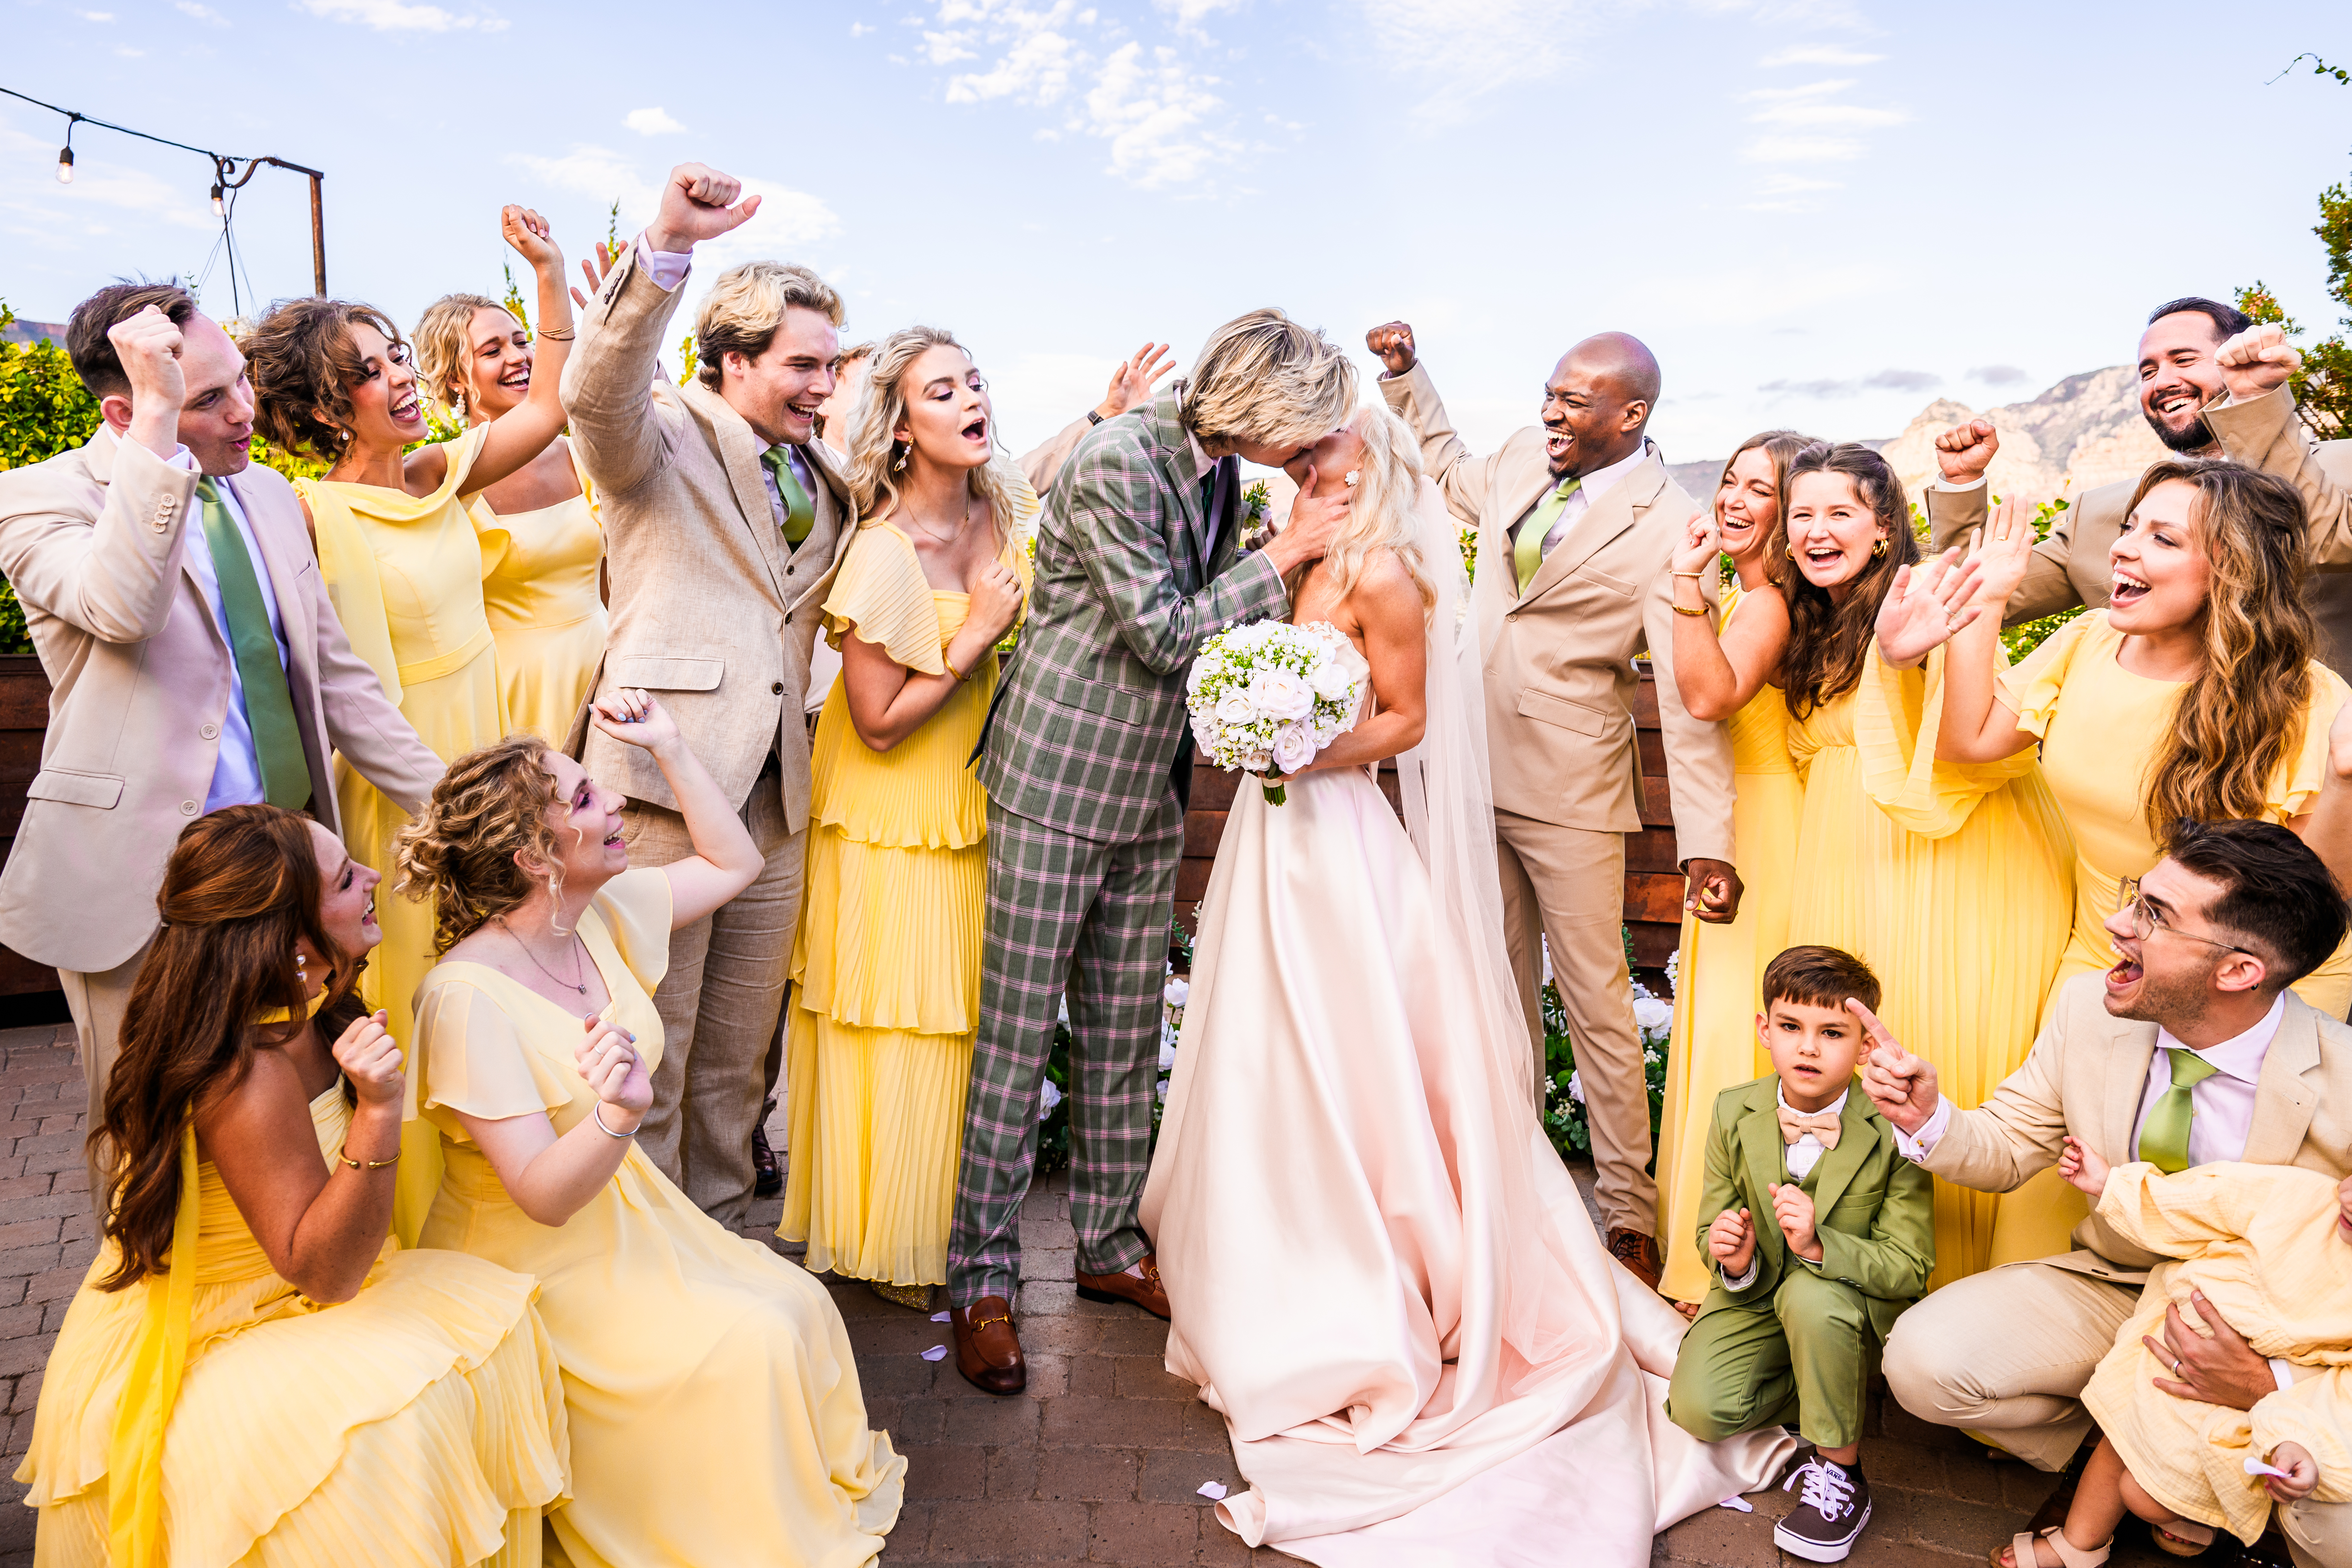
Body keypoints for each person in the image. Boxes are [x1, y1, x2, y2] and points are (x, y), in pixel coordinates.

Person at [1140, 409, 1794, 1562]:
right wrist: (1250, 730)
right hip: (1268, 832)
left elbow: (1405, 722)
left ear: (1373, 465)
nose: (1307, 464)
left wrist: (1298, 749)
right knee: (1258, 1040)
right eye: (1301, 453)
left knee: (1352, 1052)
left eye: (1327, 451)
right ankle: (1256, 1241)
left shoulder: (1390, 573)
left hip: (1336, 833)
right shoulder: (1296, 551)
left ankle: (1370, 1266)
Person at [947, 308, 1357, 1395]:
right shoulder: (1120, 459)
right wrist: (1288, 551)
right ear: (1265, 407)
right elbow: (1167, 632)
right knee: (1017, 1038)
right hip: (1057, 780)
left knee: (1127, 1033)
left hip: (1148, 787)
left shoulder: (1217, 467)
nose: (1309, 447)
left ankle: (1109, 1247)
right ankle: (981, 1280)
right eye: (1305, 424)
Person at [396, 697, 905, 1567]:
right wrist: (618, 1115)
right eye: (586, 798)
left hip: (629, 1217)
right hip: (529, 1264)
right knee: (746, 1344)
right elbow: (541, 1197)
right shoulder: (464, 998)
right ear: (534, 858)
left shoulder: (595, 914)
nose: (615, 805)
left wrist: (670, 745)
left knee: (795, 1303)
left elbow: (735, 861)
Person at [15, 805, 566, 1564]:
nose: (372, 877)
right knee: (393, 1426)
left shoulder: (311, 1008)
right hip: (222, 1326)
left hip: (299, 1290)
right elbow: (326, 1272)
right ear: (291, 940)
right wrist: (378, 1112)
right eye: (344, 880)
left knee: (499, 1333)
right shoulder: (247, 1073)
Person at [0, 286, 440, 1147]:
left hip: (290, 869)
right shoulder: (35, 498)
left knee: (307, 1122)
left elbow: (339, 682)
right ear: (127, 409)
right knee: (152, 1144)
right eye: (207, 398)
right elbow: (122, 608)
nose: (245, 410)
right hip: (146, 888)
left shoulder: (269, 494)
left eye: (241, 379)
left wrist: (466, 812)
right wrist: (160, 438)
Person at [1891, 461, 2352, 1270]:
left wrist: (2346, 781)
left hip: (2255, 972)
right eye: (2130, 526)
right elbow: (1970, 741)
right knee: (2053, 1199)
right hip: (2108, 948)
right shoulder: (2087, 642)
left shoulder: (2309, 698)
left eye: (2162, 538)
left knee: (2234, 1213)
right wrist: (1984, 606)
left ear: (2232, 571)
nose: (2124, 549)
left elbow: (2317, 893)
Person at [1864, 819, 2352, 1568]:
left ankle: (2208, 1481)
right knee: (1924, 1364)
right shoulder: (2088, 1007)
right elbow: (2010, 1140)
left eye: (2154, 914)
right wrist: (1927, 1117)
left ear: (2238, 971)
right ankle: (2138, 1463)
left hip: (2263, 1323)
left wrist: (2264, 1383)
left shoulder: (2344, 1074)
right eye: (2136, 896)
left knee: (2338, 1525)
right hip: (2117, 1281)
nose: (2116, 923)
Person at [1365, 318, 1738, 1292]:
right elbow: (1448, 471)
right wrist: (1407, 376)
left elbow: (1683, 702)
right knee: (1490, 988)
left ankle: (1628, 1215)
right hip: (1466, 767)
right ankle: (1513, 1187)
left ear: (1632, 413)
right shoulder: (1525, 459)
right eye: (1549, 393)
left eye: (1574, 400)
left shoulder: (1672, 524)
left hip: (1571, 789)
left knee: (1595, 1003)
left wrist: (1706, 839)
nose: (1551, 412)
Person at [244, 205, 575, 1241]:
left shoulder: (437, 475)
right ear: (328, 405)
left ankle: (513, 1179)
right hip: (404, 782)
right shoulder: (308, 513)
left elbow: (551, 403)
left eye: (398, 358)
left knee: (498, 973)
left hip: (484, 740)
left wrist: (549, 271)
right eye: (373, 369)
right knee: (424, 980)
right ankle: (423, 1218)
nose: (402, 379)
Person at [560, 161, 858, 1229]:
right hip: (654, 791)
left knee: (739, 1062)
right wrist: (669, 247)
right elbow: (592, 393)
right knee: (652, 1047)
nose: (825, 385)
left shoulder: (825, 474)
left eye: (832, 365)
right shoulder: (660, 434)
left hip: (774, 803)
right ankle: (643, 1260)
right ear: (734, 360)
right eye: (803, 364)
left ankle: (724, 1250)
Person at [1750, 441, 2071, 1287]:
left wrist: (1905, 656)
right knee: (1854, 1038)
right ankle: (1853, 1272)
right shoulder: (1809, 620)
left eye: (1840, 513)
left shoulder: (1924, 594)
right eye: (1802, 515)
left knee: (1939, 1031)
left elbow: (1976, 733)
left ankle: (1951, 1282)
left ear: (1886, 527)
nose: (1817, 531)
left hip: (1952, 855)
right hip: (1846, 855)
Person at [778, 327, 1033, 1310]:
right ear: (899, 428)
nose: (973, 400)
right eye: (943, 391)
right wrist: (975, 638)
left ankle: (955, 1230)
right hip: (892, 813)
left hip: (978, 799)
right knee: (896, 1021)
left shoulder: (1008, 511)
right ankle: (891, 1240)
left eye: (975, 381)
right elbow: (878, 723)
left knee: (963, 1020)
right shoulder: (883, 553)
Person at [1665, 945, 1934, 1565]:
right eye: (1791, 1027)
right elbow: (1710, 1224)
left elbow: (1910, 1264)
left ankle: (1842, 1472)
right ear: (1765, 1030)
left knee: (1813, 1299)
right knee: (1699, 1410)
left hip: (1839, 1303)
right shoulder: (1733, 1108)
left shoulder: (1896, 1127)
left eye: (1832, 1033)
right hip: (1757, 1297)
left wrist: (1819, 1245)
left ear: (1864, 1047)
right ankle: (1822, 1389)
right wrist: (1731, 1258)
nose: (1808, 1048)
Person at [1926, 297, 2352, 676]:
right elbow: (1977, 596)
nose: (2161, 382)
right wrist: (1962, 484)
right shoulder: (2095, 514)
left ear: (2239, 359)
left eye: (2183, 360)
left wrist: (2254, 402)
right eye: (2148, 371)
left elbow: (2322, 541)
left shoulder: (2344, 467)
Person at [1977, 1149, 2349, 1568]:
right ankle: (2078, 1544)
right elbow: (2206, 1201)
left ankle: (2199, 1514)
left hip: (2264, 1399)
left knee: (2147, 1494)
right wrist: (2113, 1187)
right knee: (2121, 1426)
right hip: (2174, 1343)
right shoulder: (2301, 1195)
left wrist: (2297, 1432)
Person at [1654, 428, 1821, 1308]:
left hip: (1760, 825)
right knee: (1731, 1020)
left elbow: (1708, 696)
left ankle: (1721, 1258)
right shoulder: (1753, 595)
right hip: (1748, 814)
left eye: (1760, 489)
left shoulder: (1766, 605)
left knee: (1734, 1028)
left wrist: (1687, 584)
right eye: (1730, 480)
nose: (1732, 498)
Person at [412, 289, 607, 749]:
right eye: (492, 350)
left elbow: (611, 585)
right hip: (513, 688)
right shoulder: (443, 477)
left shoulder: (582, 455)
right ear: (455, 378)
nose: (519, 357)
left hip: (605, 665)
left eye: (522, 341)